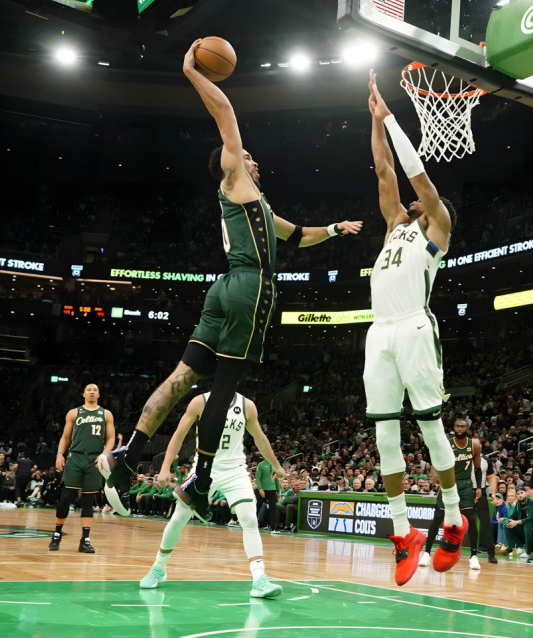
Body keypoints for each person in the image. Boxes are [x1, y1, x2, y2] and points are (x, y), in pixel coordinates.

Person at [99, 39, 362, 521]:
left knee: (182, 378)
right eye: (248, 158)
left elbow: (297, 235)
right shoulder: (235, 179)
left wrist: (336, 229)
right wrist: (192, 72)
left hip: (222, 290)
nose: (255, 161)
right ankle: (198, 484)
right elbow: (226, 111)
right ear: (233, 164)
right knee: (223, 391)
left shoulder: (256, 206)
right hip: (250, 287)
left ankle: (127, 458)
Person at [363, 69, 463, 587]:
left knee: (428, 427)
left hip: (414, 329)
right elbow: (384, 171)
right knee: (384, 437)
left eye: (417, 200)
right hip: (377, 333)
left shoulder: (437, 229)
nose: (412, 199)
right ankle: (403, 533)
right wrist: (373, 118)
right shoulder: (394, 226)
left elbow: (416, 174)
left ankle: (452, 516)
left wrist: (394, 118)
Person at [139, 391, 286, 598]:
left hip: (235, 469)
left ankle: (259, 579)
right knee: (179, 517)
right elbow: (179, 435)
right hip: (204, 469)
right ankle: (158, 568)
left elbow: (260, 438)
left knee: (249, 518)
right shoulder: (201, 401)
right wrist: (164, 468)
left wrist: (275, 465)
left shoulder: (247, 405)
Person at [49, 383, 115, 553]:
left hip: (94, 459)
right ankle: (56, 535)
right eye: (89, 390)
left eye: (95, 390)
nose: (92, 392)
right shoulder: (74, 412)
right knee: (66, 497)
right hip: (76, 457)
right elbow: (65, 436)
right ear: (83, 394)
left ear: (99, 394)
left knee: (87, 501)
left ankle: (85, 540)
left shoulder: (106, 414)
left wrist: (104, 454)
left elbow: (111, 438)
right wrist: (59, 454)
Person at [420, 419, 484, 570]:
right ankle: (427, 553)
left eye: (463, 426)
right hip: (448, 484)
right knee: (437, 518)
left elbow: (477, 468)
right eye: (457, 426)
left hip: (466, 485)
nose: (460, 428)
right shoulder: (447, 443)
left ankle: (474, 556)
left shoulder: (474, 444)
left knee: (472, 519)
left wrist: (479, 487)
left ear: (467, 428)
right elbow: (436, 461)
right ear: (454, 428)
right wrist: (434, 473)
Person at [255, 454, 279, 532]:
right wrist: (260, 489)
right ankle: (252, 525)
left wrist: (278, 491)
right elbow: (257, 478)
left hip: (272, 489)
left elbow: (276, 479)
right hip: (262, 489)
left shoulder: (275, 465)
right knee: (257, 507)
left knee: (273, 508)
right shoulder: (261, 465)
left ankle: (273, 528)